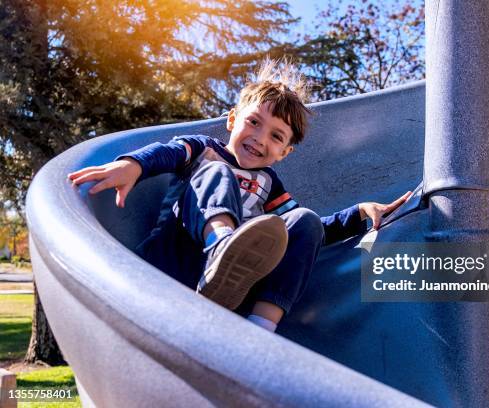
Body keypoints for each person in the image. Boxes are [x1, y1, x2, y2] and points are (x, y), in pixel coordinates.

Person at [68, 60, 411, 332]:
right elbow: (167, 153)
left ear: (284, 153)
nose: (261, 138)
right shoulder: (205, 150)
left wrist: (360, 213)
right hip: (175, 265)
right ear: (232, 120)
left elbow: (312, 231)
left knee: (303, 220)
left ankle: (260, 328)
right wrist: (132, 165)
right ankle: (221, 245)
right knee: (215, 172)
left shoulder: (269, 184)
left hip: (228, 291)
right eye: (254, 122)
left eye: (276, 136)